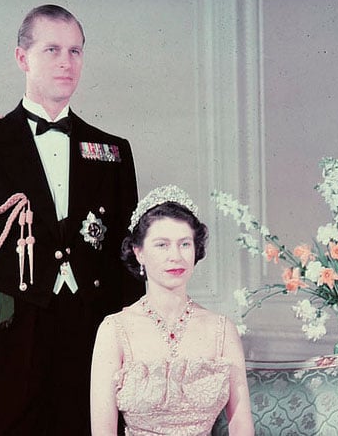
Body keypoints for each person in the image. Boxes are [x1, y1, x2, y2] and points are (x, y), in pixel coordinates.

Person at [0, 4, 144, 435]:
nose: (66, 63)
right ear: (22, 58)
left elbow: (129, 261)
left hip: (94, 332)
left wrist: (134, 344)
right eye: (52, 50)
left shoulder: (112, 152)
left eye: (75, 51)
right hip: (10, 332)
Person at [90, 185, 254, 435]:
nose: (175, 256)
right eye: (162, 245)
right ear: (139, 252)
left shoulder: (222, 329)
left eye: (184, 244)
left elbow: (242, 426)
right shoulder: (114, 329)